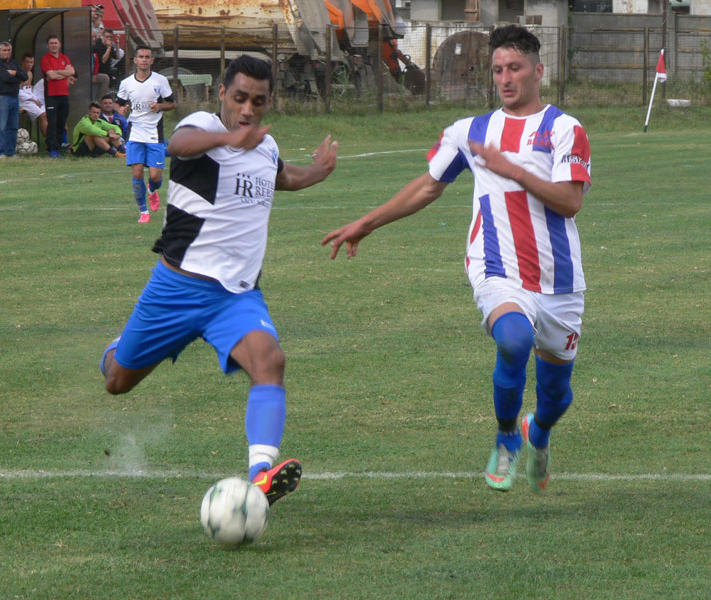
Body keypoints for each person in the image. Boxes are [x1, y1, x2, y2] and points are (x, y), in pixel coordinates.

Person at [322, 25, 592, 493]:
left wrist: (513, 170)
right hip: (496, 268)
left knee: (556, 395)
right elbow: (428, 186)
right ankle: (507, 436)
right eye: (498, 70)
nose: (505, 78)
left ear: (538, 71)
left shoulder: (565, 129)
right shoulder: (470, 132)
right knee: (513, 340)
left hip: (559, 280)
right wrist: (366, 223)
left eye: (515, 68)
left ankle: (538, 430)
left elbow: (570, 202)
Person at [100, 54, 338, 506]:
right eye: (240, 98)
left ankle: (261, 477)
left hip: (236, 298)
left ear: (269, 102)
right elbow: (178, 145)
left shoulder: (264, 146)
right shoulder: (204, 127)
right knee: (117, 381)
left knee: (270, 361)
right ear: (222, 94)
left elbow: (282, 176)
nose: (248, 109)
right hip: (177, 289)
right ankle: (119, 345)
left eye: (258, 102)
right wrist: (231, 138)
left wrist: (319, 172)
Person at [116, 45, 176, 223]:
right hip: (135, 131)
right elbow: (118, 104)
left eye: (147, 57)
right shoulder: (126, 83)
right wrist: (121, 110)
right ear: (135, 60)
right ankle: (143, 211)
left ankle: (152, 189)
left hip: (154, 132)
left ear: (152, 60)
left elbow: (172, 103)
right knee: (137, 172)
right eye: (141, 57)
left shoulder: (160, 81)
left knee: (156, 176)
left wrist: (160, 106)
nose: (144, 59)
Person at [41, 34, 76, 158]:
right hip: (51, 96)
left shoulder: (64, 58)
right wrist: (64, 73)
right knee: (52, 122)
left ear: (59, 44)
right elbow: (51, 76)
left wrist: (57, 72)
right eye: (51, 43)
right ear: (48, 45)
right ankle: (52, 148)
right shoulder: (45, 59)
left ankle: (58, 145)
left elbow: (72, 72)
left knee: (62, 122)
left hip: (64, 94)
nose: (54, 45)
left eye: (56, 43)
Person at [0, 41, 28, 158]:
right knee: (2, 126)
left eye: (9, 50)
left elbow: (25, 76)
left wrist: (15, 73)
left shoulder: (14, 64)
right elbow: (5, 78)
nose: (7, 52)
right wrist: (17, 78)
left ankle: (10, 152)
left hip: (14, 97)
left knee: (13, 126)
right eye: (4, 50)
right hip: (3, 97)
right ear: (0, 52)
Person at [18, 53, 48, 139]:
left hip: (32, 98)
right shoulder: (18, 74)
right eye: (27, 62)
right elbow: (17, 91)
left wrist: (35, 96)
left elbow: (28, 88)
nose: (30, 65)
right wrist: (33, 100)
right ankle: (48, 141)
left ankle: (55, 140)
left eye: (31, 62)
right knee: (43, 115)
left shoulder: (30, 73)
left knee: (48, 114)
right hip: (23, 101)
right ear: (23, 62)